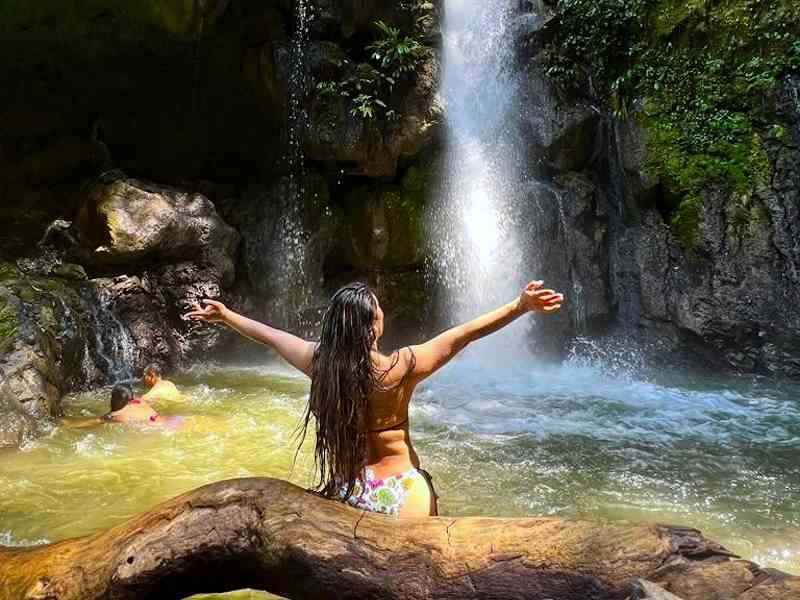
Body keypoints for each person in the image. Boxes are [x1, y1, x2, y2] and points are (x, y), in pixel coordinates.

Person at [184, 280, 563, 517]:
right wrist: (519, 306)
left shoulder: (322, 366)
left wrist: (227, 316)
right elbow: (463, 333)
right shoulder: (402, 367)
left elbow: (270, 336)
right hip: (402, 491)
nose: (383, 311)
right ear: (373, 324)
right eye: (379, 309)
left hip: (349, 492)